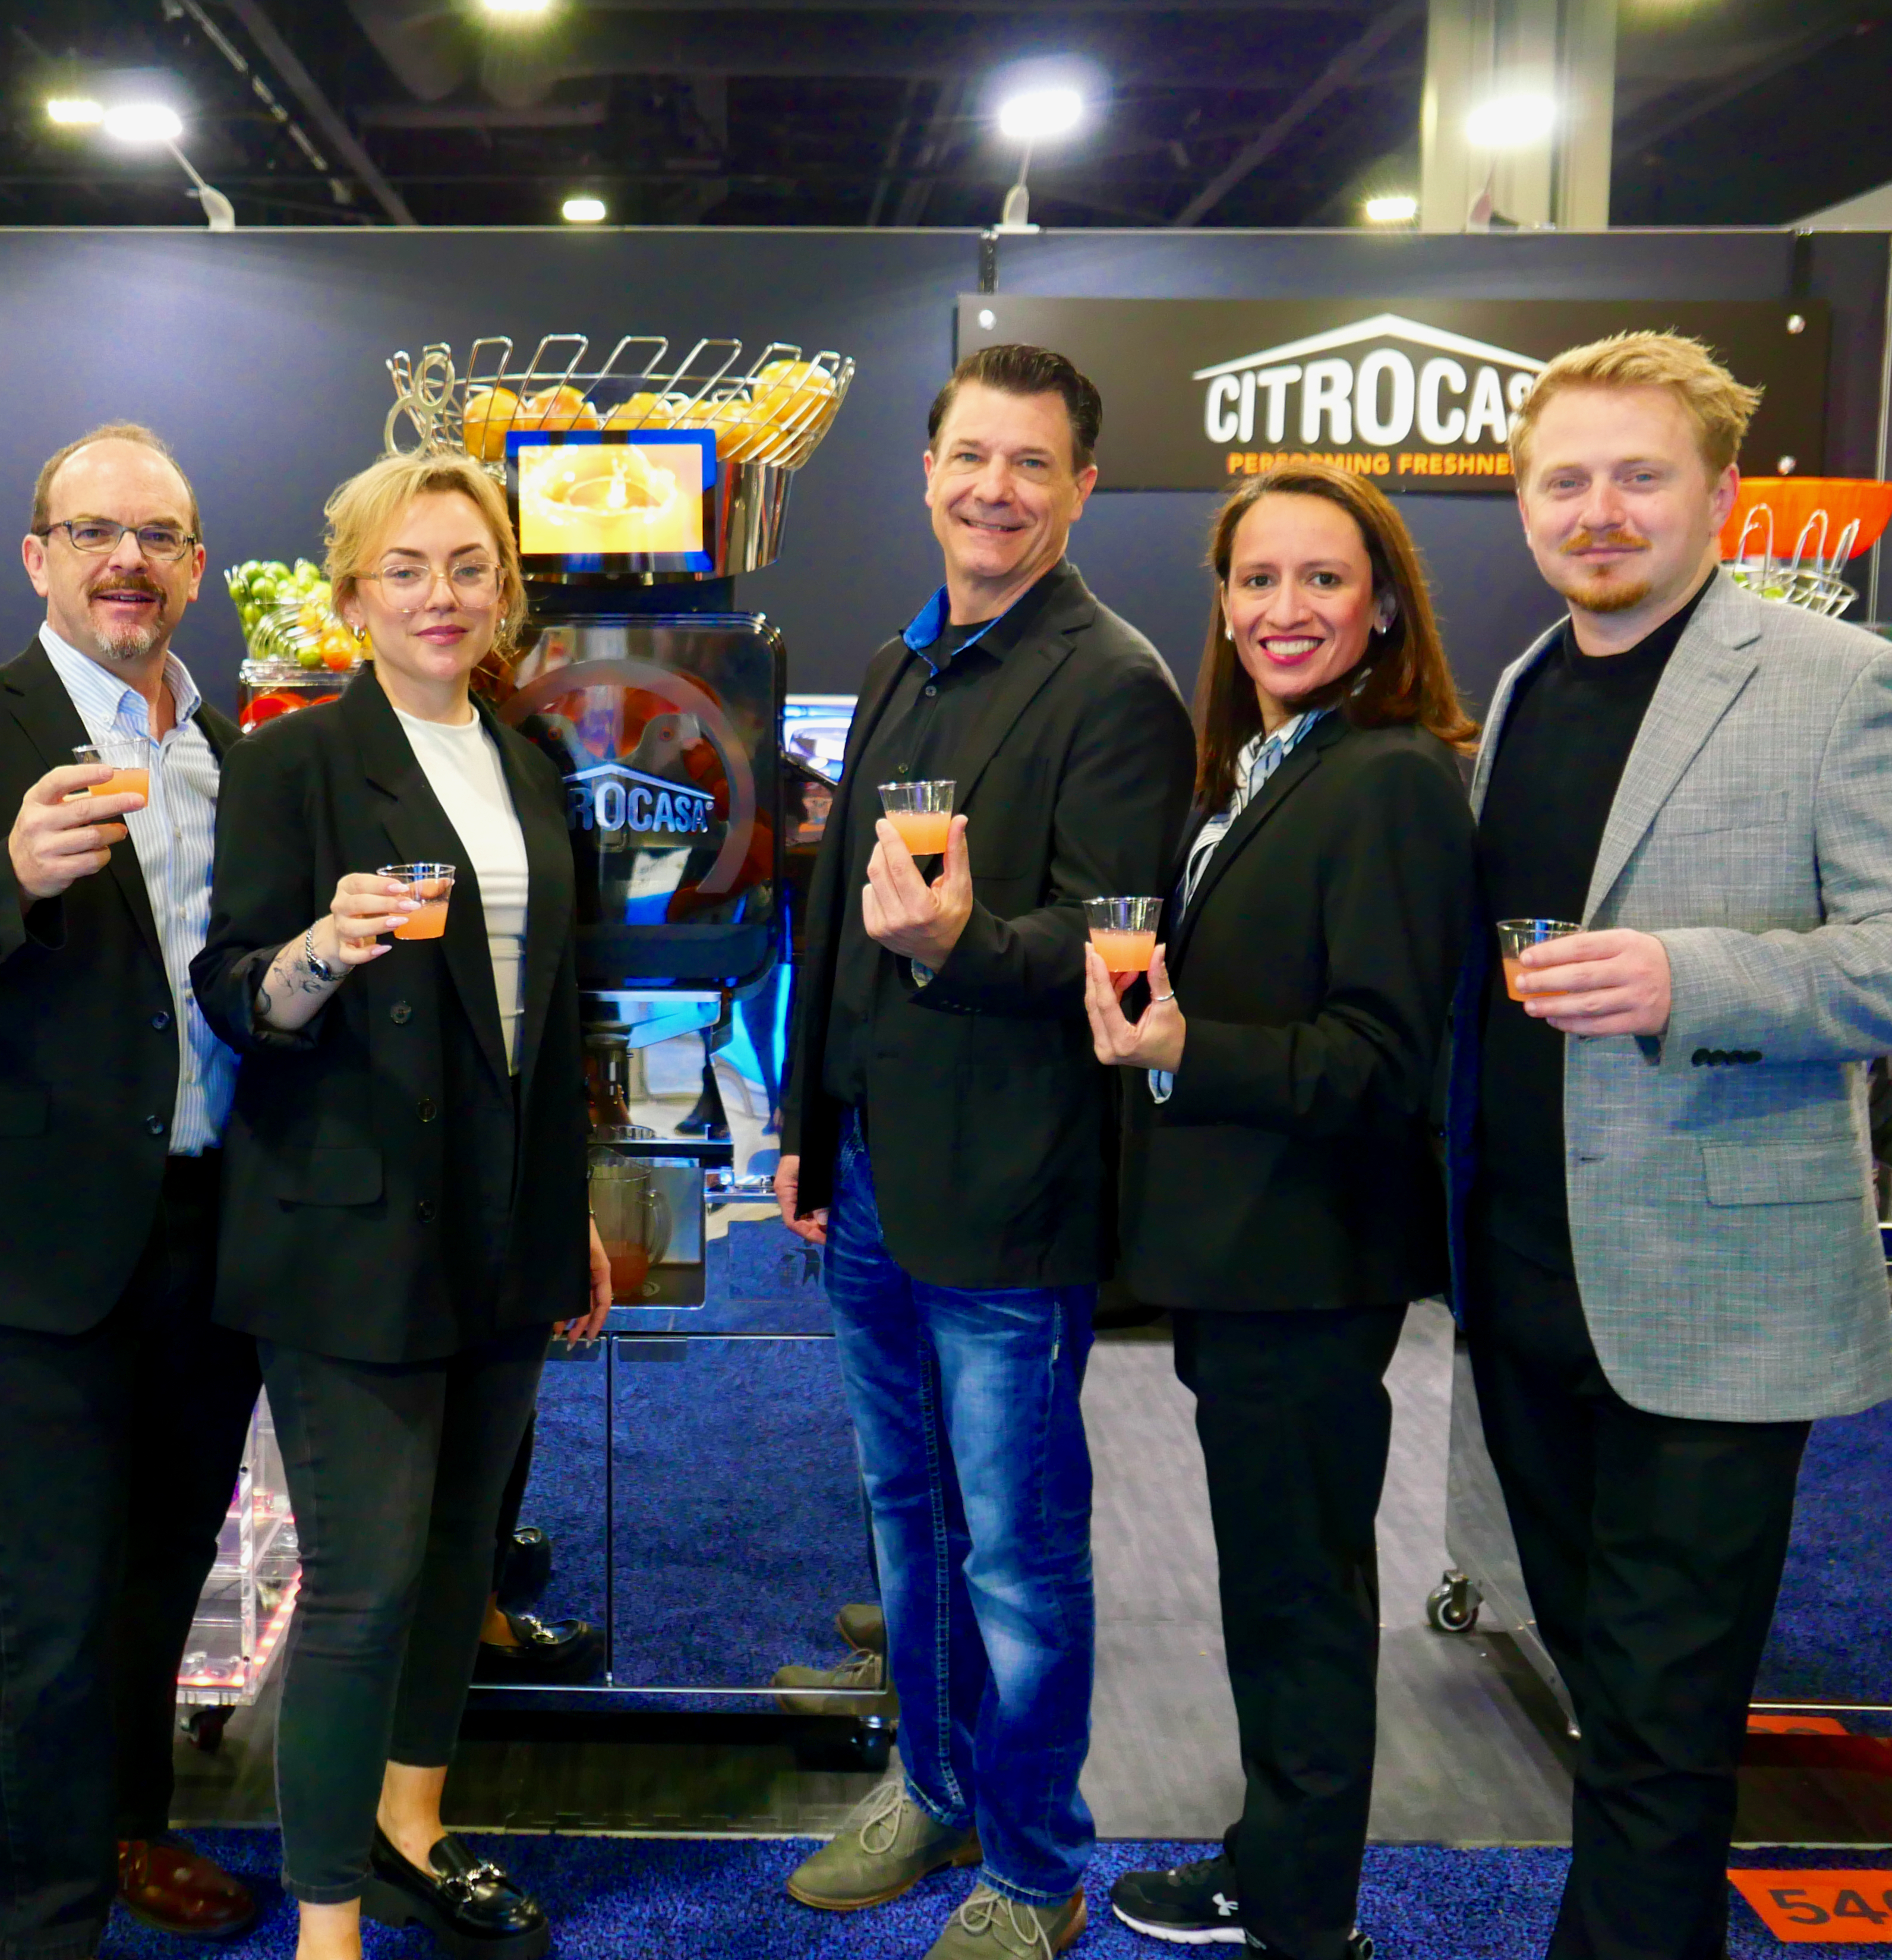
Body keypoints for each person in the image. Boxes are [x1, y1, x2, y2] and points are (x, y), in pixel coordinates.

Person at [1451, 330, 1892, 1960]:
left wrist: (1693, 978)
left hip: (1717, 1298)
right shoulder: (1525, 680)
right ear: (1523, 499)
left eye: (1638, 476)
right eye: (1565, 479)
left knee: (1664, 1721)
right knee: (1611, 1704)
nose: (1598, 510)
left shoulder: (1843, 685)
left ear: (1721, 496)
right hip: (1529, 1283)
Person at [774, 344, 1197, 1960]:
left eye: (1030, 463)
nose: (991, 489)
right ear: (927, 468)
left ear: (1080, 487)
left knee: (1017, 1551)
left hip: (1010, 1197)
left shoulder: (1113, 683)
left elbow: (1113, 952)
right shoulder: (905, 659)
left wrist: (960, 945)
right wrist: (812, 1142)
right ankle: (932, 1782)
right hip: (880, 1176)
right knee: (907, 1517)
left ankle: (1032, 1863)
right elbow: (835, 928)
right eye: (969, 456)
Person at [0, 423, 263, 1958]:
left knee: (162, 1580)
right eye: (92, 532)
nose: (125, 559)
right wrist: (5, 872)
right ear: (37, 558)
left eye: (156, 534)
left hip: (216, 1241)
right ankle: (41, 1928)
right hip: (27, 1259)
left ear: (196, 565)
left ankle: (134, 1831)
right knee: (46, 1621)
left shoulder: (239, 754)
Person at [193, 449, 610, 1960]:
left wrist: (565, 1213)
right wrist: (321, 946)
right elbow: (236, 993)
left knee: (454, 1564)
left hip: (502, 1224)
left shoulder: (531, 761)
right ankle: (324, 1926)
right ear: (352, 591)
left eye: (469, 566)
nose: (442, 594)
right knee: (365, 1580)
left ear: (505, 590)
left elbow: (558, 1013)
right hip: (346, 1228)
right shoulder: (295, 762)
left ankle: (411, 1823)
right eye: (407, 567)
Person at [1086, 465, 1477, 1960]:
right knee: (1275, 1586)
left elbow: (1386, 1062)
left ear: (1381, 604)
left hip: (1308, 1263)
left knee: (1299, 1599)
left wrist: (1190, 1048)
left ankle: (1303, 1911)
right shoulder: (1263, 763)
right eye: (1256, 581)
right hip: (1244, 1260)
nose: (1282, 610)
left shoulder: (1386, 776)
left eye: (1321, 580)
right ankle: (1276, 1860)